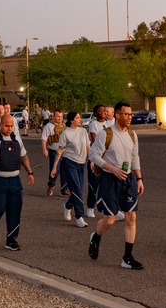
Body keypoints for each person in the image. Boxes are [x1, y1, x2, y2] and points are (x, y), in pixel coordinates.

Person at [87, 102, 144, 270]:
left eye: (131, 114)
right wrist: (112, 169)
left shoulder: (133, 135)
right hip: (110, 179)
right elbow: (94, 155)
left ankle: (127, 257)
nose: (129, 117)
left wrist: (139, 178)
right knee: (110, 220)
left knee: (131, 217)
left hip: (128, 180)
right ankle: (96, 237)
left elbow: (135, 157)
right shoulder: (106, 134)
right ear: (117, 115)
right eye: (126, 114)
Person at [0, 114, 35, 251]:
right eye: (7, 125)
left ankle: (11, 239)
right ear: (0, 124)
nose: (9, 128)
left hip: (15, 180)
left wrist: (30, 172)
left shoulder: (16, 139)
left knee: (15, 210)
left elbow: (23, 157)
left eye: (12, 126)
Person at [51, 111, 90, 228]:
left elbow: (88, 147)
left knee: (78, 188)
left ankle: (68, 206)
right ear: (71, 120)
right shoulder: (66, 133)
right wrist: (54, 167)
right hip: (69, 163)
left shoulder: (83, 131)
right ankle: (79, 216)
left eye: (80, 118)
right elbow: (60, 150)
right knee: (77, 189)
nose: (80, 120)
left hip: (82, 163)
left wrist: (93, 160)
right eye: (77, 118)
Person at [86, 104, 115, 219]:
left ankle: (113, 209)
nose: (104, 112)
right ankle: (90, 207)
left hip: (107, 158)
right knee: (94, 184)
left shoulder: (108, 124)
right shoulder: (94, 124)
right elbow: (95, 140)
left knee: (109, 185)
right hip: (97, 157)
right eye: (101, 111)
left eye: (104, 110)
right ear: (96, 113)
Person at [40, 109, 65, 197]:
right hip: (54, 151)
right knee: (55, 169)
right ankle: (51, 185)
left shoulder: (65, 126)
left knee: (65, 170)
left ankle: (64, 188)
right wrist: (44, 149)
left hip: (65, 152)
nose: (60, 118)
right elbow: (44, 138)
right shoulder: (49, 126)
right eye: (58, 116)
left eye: (61, 116)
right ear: (54, 116)